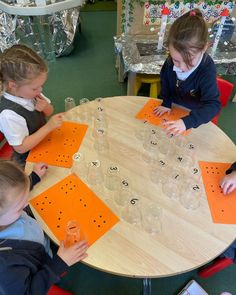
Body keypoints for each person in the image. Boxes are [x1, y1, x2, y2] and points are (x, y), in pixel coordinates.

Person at [0, 160, 88, 295]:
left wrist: (33, 177)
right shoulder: (5, 268)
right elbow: (29, 292)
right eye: (20, 207)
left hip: (44, 243)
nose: (26, 204)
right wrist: (59, 263)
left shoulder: (7, 209)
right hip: (49, 266)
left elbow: (12, 195)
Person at [153, 9, 221, 136]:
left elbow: (213, 105)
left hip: (195, 117)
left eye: (189, 61)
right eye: (176, 61)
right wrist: (166, 103)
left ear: (204, 48)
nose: (182, 68)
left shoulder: (206, 69)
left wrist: (187, 122)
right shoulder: (169, 62)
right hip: (174, 109)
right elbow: (166, 83)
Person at [0, 44, 63, 166]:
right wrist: (48, 127)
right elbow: (21, 148)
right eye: (35, 88)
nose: (40, 90)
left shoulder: (29, 93)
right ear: (13, 85)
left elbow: (50, 111)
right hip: (28, 160)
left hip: (45, 142)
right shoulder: (8, 115)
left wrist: (45, 107)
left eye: (41, 85)